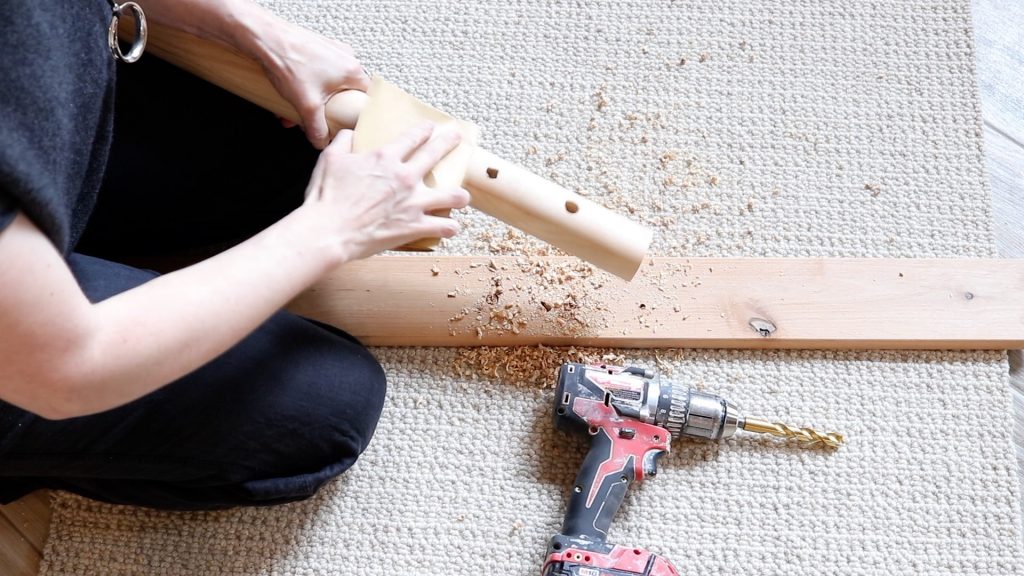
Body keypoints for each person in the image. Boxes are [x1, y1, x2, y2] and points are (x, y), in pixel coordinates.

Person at [0, 0, 470, 510]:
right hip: (43, 363)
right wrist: (330, 228)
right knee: (324, 407)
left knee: (300, 143)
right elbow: (68, 369)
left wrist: (251, 28)